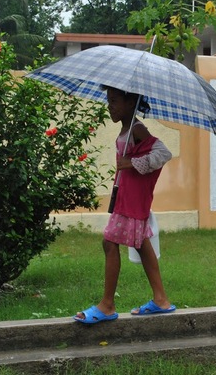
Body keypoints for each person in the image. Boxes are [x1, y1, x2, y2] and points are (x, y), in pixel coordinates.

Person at [74, 87, 175, 324]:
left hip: (132, 201)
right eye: (109, 101)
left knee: (109, 242)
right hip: (127, 198)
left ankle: (107, 305)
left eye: (115, 101)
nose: (110, 105)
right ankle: (161, 299)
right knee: (140, 243)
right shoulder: (126, 130)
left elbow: (163, 153)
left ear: (131, 103)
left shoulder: (137, 129)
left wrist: (132, 162)